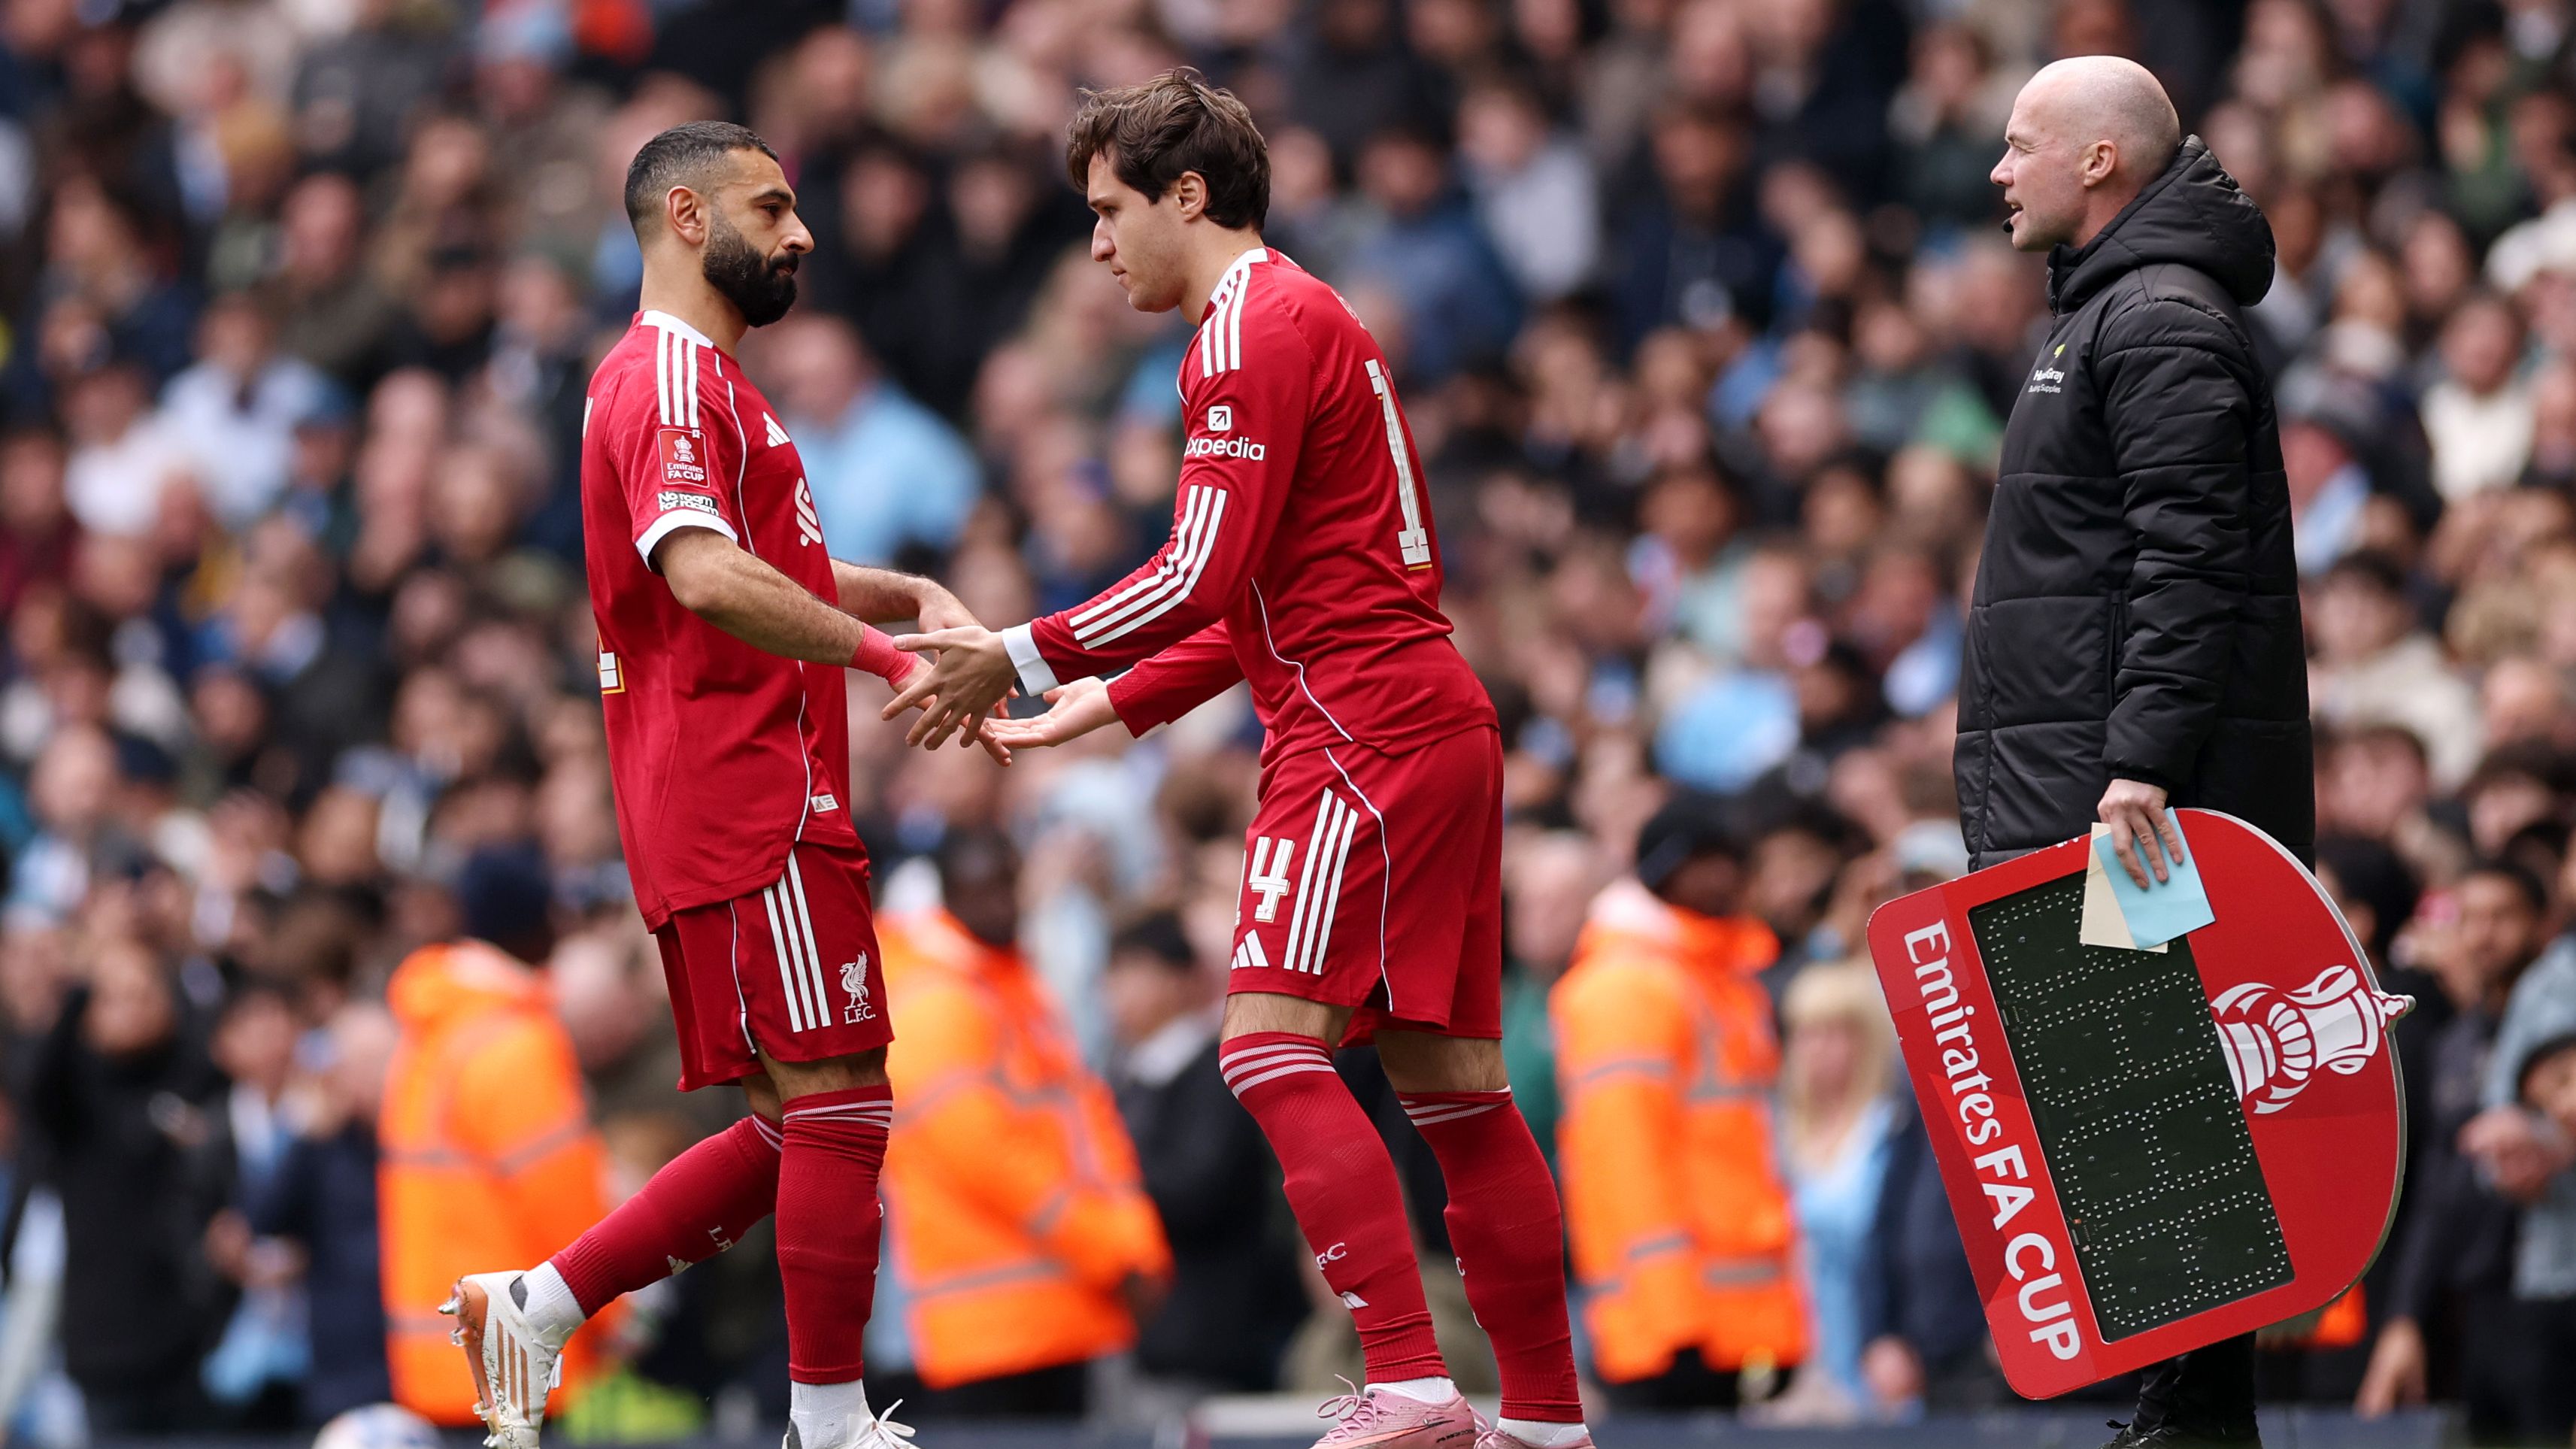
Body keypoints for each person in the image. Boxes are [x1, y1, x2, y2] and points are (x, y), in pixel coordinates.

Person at [898, 70, 1592, 1449]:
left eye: (1107, 211)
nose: (1096, 245)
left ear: (1187, 194)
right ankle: (1551, 1421)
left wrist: (1022, 651)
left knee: (1267, 1048)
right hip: (1419, 716)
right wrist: (1107, 707)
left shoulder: (1247, 331)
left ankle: (1403, 1375)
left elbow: (1200, 568)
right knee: (1457, 1091)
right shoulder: (1305, 317)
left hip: (1358, 734)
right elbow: (1262, 591)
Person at [435, 120, 1005, 1449]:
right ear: (687, 218)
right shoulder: (671, 382)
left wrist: (903, 593)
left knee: (791, 1117)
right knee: (844, 1095)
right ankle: (826, 1421)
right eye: (774, 205)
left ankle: (535, 1303)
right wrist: (880, 654)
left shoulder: (697, 388)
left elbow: (752, 562)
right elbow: (699, 572)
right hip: (748, 791)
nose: (801, 232)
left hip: (730, 788)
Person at [1968, 55, 2305, 1449]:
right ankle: (2179, 1413)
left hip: (2133, 811)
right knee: (2124, 1108)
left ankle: (2193, 1420)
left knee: (2157, 1104)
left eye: (2020, 144)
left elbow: (2190, 565)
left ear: (2099, 161)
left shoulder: (2157, 318)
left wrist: (2141, 770)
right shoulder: (2109, 313)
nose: (1998, 170)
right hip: (2089, 790)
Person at [871, 829, 1172, 1415]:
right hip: (989, 1326)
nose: (1001, 902)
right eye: (980, 888)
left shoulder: (1014, 987)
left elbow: (1087, 1128)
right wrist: (1113, 1251)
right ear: (944, 896)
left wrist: (1134, 1246)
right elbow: (986, 1155)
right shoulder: (939, 999)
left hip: (1057, 1310)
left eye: (1008, 883)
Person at [1550, 796, 1805, 1410]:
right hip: (1675, 1333)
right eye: (1717, 861)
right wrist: (1673, 1326)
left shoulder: (1715, 977)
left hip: (1730, 1326)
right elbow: (1627, 1162)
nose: (1734, 877)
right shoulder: (1629, 985)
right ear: (1675, 869)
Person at [380, 847, 617, 1427]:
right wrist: (615, 1315)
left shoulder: (428, 1032)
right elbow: (565, 1207)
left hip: (439, 1359)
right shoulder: (514, 1044)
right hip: (521, 1357)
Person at [1105, 911, 1308, 1398]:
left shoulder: (1217, 1074)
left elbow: (1198, 1187)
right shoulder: (1124, 1077)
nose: (1116, 988)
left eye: (1134, 969)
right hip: (1138, 1338)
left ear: (1183, 978)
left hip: (1208, 1335)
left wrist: (1106, 1179)